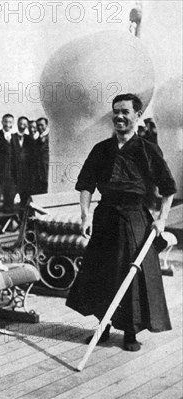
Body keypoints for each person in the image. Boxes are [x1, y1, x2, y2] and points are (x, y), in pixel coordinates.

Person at [66, 93, 176, 352]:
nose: (119, 116)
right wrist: (84, 215)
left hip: (135, 218)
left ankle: (130, 332)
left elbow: (168, 188)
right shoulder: (101, 149)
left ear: (138, 115)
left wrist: (162, 219)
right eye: (116, 111)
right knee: (101, 273)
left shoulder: (149, 149)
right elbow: (86, 185)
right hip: (105, 218)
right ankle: (102, 326)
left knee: (133, 275)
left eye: (125, 111)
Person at [11, 116, 36, 207]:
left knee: (25, 200)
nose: (22, 126)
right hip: (13, 174)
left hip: (26, 175)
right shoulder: (11, 137)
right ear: (17, 124)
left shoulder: (30, 139)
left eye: (24, 124)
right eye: (21, 123)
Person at [0, 113, 15, 211]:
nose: (7, 124)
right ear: (2, 122)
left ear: (13, 124)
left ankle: (8, 226)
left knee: (9, 203)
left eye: (10, 122)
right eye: (6, 121)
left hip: (11, 177)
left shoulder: (14, 137)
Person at [34, 117, 50, 194]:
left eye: (42, 125)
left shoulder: (50, 138)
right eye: (38, 125)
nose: (40, 127)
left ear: (46, 125)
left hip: (47, 171)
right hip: (39, 172)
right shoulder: (37, 139)